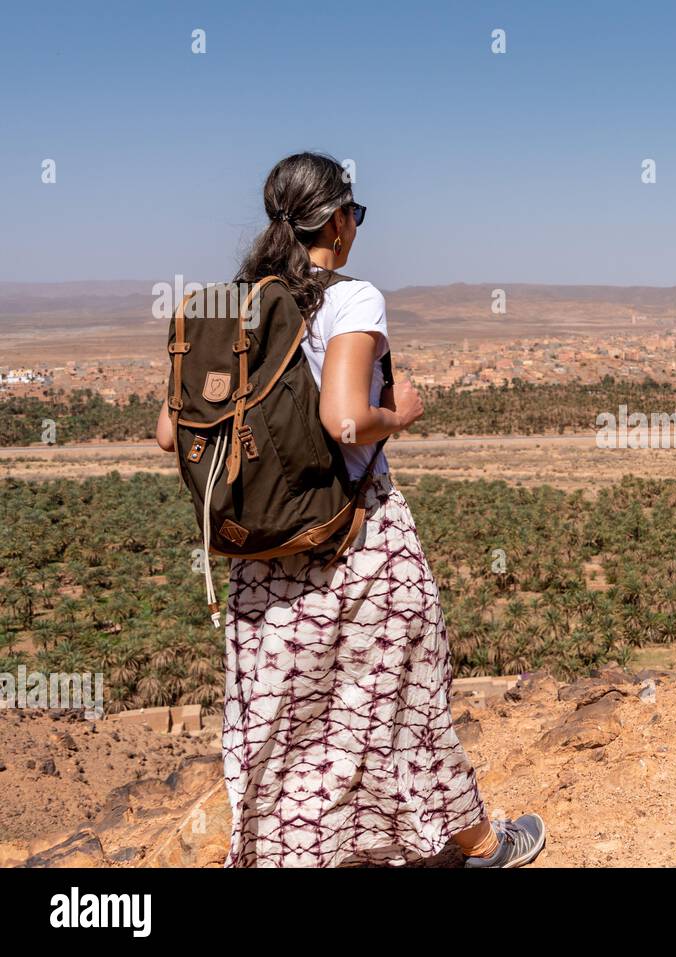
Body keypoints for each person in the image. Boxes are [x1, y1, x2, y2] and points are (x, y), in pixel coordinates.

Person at [155, 152, 544, 868]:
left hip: (261, 563)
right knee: (413, 698)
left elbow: (165, 431)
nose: (355, 228)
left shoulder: (227, 306)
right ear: (337, 219)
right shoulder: (351, 298)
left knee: (281, 731)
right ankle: (484, 846)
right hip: (357, 542)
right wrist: (399, 411)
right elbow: (342, 419)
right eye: (354, 215)